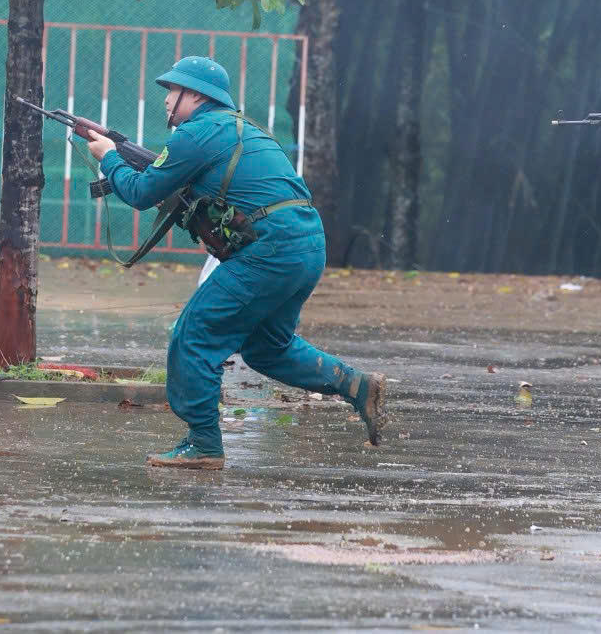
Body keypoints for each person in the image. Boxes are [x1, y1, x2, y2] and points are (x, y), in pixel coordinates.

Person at [85, 56, 390, 469]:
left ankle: (204, 444)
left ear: (194, 95)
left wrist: (108, 156)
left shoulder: (197, 133)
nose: (166, 101)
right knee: (267, 348)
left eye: (172, 92)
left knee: (194, 334)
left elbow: (140, 193)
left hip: (270, 250)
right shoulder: (240, 128)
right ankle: (356, 385)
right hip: (306, 245)